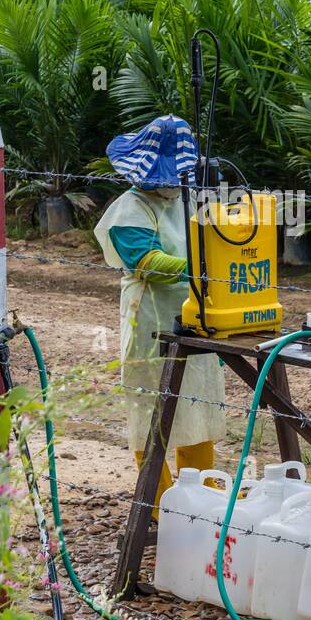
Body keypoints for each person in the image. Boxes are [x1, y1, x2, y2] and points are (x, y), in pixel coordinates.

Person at [93, 115, 225, 517]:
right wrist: (198, 268)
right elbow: (146, 259)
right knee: (153, 408)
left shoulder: (184, 201)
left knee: (197, 403)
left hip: (192, 314)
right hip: (150, 321)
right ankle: (159, 500)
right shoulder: (128, 210)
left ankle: (200, 496)